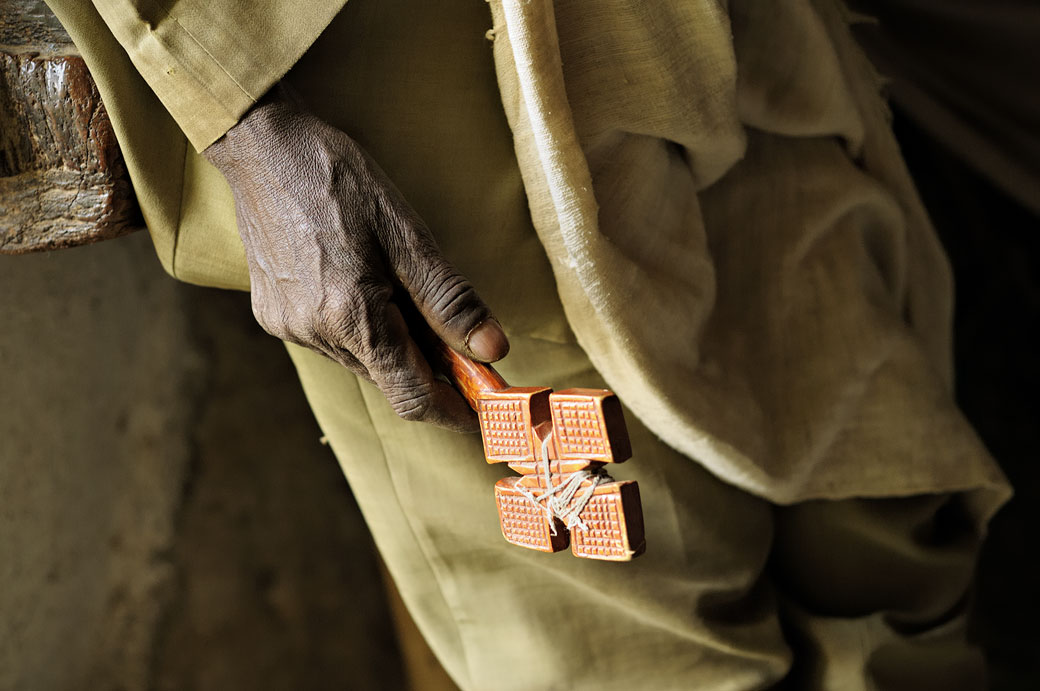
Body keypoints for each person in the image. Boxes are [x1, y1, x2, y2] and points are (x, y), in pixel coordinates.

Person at [44, 0, 1011, 688]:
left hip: (715, 34)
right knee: (638, 641)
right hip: (397, 66)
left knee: (883, 530)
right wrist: (240, 113)